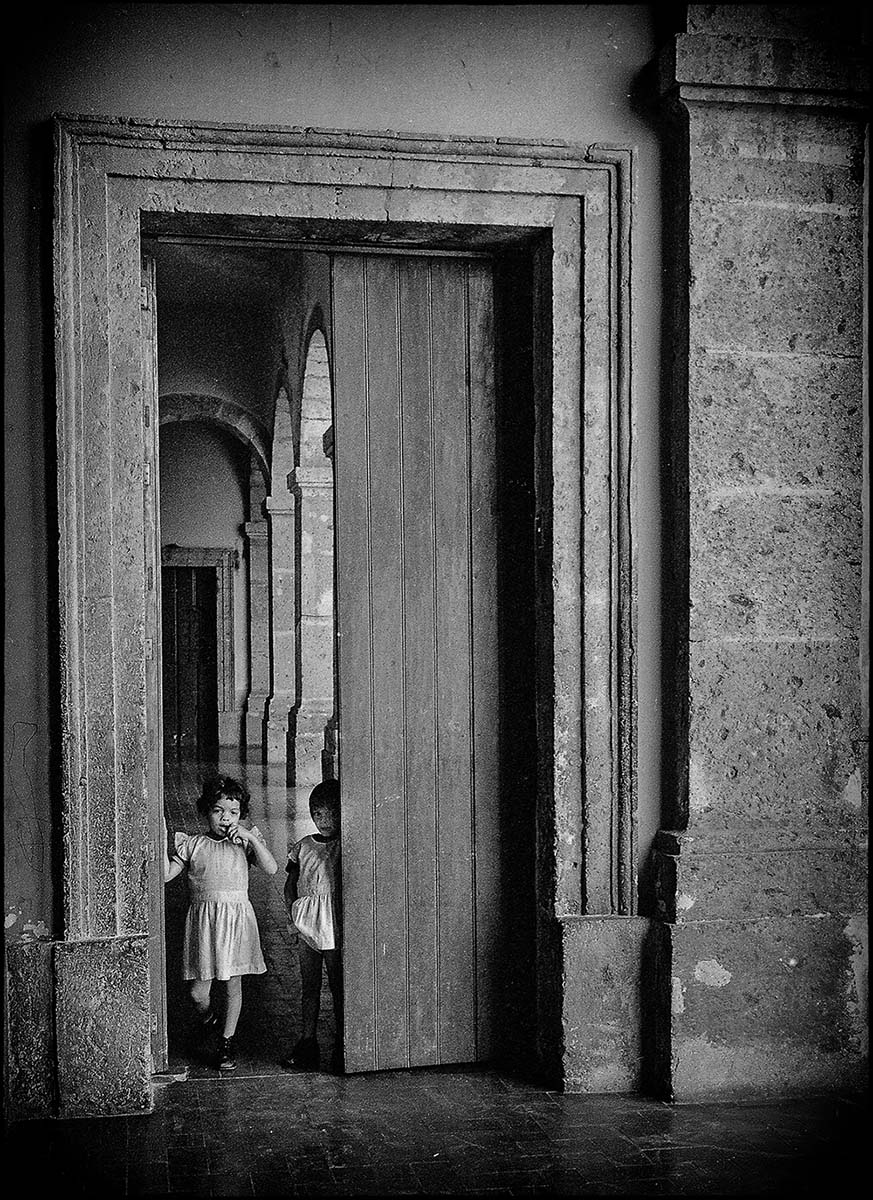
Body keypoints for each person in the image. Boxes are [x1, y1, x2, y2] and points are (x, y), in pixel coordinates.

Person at [164, 774, 278, 1071]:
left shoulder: (243, 843)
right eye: (218, 811)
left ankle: (227, 1040)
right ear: (207, 811)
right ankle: (208, 1019)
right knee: (198, 993)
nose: (225, 818)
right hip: (205, 923)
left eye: (233, 812)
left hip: (236, 922)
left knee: (232, 985)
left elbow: (272, 868)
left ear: (241, 816)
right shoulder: (194, 844)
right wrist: (155, 835)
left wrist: (251, 837)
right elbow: (165, 874)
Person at [283, 778, 343, 1071]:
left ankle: (344, 1041)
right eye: (318, 814)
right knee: (309, 986)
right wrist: (294, 915)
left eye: (332, 813)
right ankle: (308, 1041)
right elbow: (290, 885)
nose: (325, 820)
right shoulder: (304, 846)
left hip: (333, 925)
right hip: (308, 924)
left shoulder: (345, 846)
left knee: (337, 983)